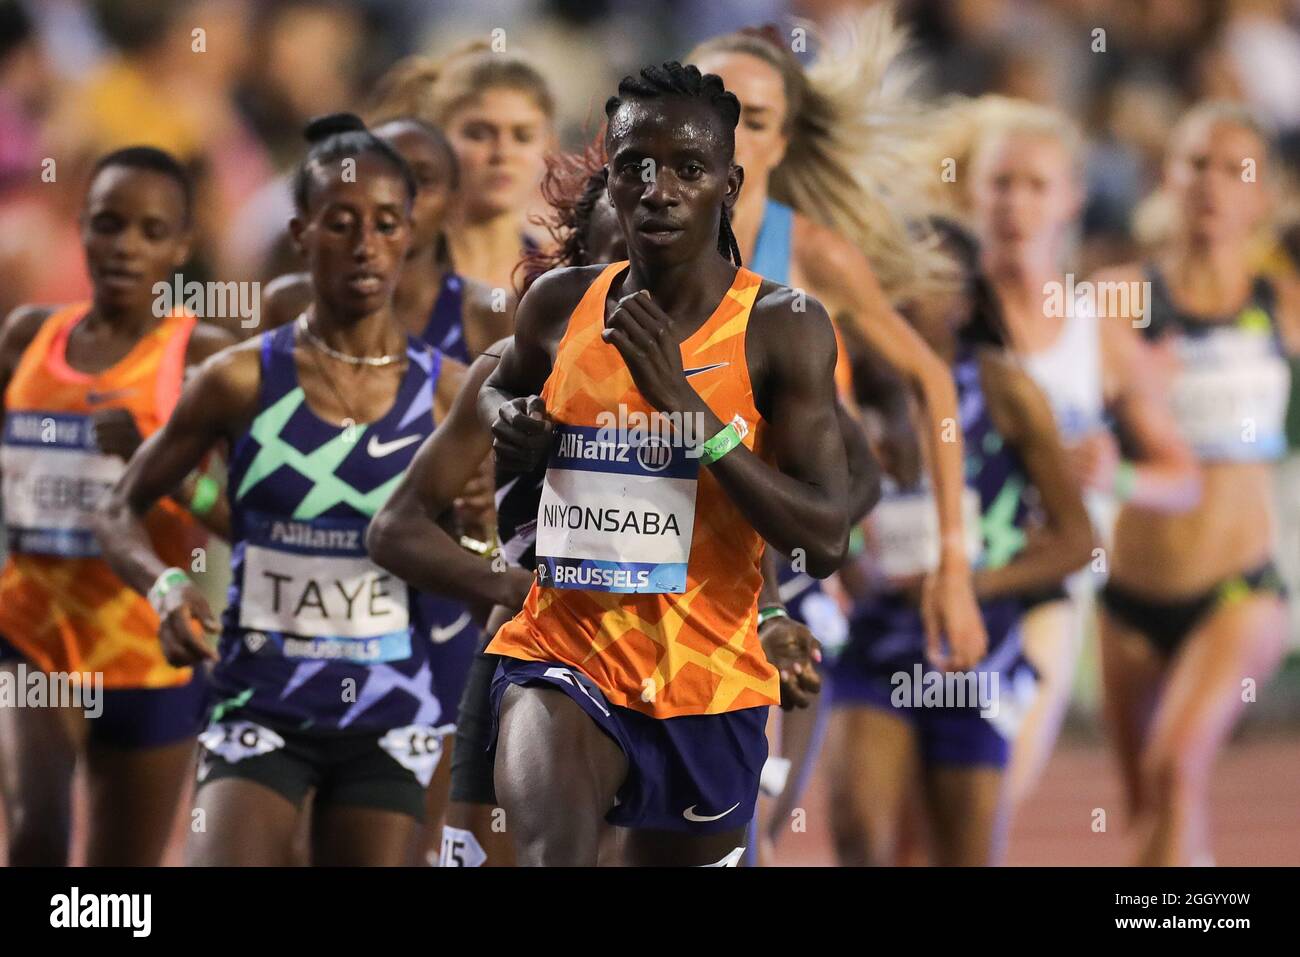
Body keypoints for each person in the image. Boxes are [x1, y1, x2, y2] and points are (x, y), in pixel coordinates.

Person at [482, 61, 850, 867]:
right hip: (565, 646)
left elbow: (824, 538)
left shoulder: (782, 327)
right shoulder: (560, 305)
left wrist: (696, 419)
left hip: (709, 680)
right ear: (611, 180)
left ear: (729, 182)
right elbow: (496, 390)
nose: (658, 188)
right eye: (634, 167)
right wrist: (516, 427)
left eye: (688, 167)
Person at [94, 114, 468, 865]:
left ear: (411, 233)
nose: (364, 245)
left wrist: (486, 534)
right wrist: (166, 587)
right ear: (301, 232)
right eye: (341, 222)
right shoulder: (238, 378)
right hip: (258, 701)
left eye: (386, 223)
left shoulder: (446, 396)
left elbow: (470, 558)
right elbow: (118, 508)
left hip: (391, 708)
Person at [686, 8, 986, 861]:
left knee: (752, 828)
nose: (732, 137)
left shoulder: (810, 251)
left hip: (786, 558)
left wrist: (954, 564)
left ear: (785, 143)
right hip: (658, 550)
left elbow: (932, 381)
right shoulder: (623, 243)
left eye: (758, 121)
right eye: (713, 109)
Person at [920, 95, 1200, 813]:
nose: (1015, 204)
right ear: (970, 192)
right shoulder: (933, 315)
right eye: (1000, 182)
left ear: (1072, 197)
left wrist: (1120, 471)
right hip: (929, 575)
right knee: (899, 824)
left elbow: (1183, 477)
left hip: (1041, 587)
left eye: (1037, 185)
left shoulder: (1095, 329)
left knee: (989, 799)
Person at [826, 218, 1094, 866]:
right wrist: (856, 570)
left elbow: (1079, 539)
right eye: (893, 276)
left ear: (965, 301)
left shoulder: (1004, 389)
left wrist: (966, 584)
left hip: (973, 650)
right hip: (880, 638)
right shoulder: (844, 384)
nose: (903, 294)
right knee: (861, 829)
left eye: (926, 279)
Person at [0, 146, 235, 865]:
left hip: (152, 645)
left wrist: (157, 467)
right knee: (37, 829)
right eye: (109, 224)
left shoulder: (206, 356)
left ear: (181, 247)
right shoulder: (26, 339)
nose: (126, 246)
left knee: (117, 886)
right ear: (81, 229)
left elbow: (248, 517)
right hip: (32, 631)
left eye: (151, 230)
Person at [1092, 101, 1300, 866]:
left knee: (1177, 766)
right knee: (1148, 810)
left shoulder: (1283, 303)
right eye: (1196, 164)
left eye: (1234, 169)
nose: (1212, 184)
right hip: (1128, 601)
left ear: (1264, 196)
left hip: (1238, 593)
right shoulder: (1116, 296)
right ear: (1167, 179)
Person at [367, 44, 556, 293]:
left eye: (523, 136)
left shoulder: (562, 272)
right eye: (478, 134)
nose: (503, 154)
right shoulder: (391, 270)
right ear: (436, 141)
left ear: (549, 145)